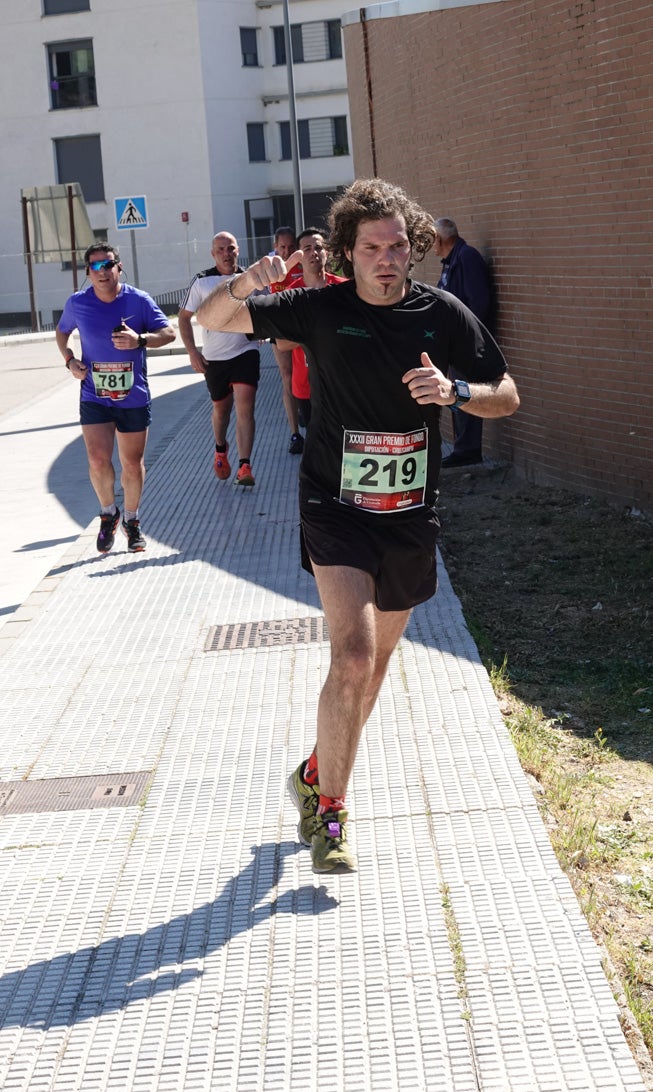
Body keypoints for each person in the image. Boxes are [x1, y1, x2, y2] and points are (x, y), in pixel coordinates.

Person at [197, 178, 519, 875]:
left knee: (368, 675)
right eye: (371, 247)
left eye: (398, 245)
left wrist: (457, 392)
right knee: (350, 656)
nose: (386, 257)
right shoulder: (318, 308)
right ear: (347, 252)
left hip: (407, 514)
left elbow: (507, 394)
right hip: (333, 506)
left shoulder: (442, 314)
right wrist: (245, 282)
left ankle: (316, 773)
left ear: (415, 247)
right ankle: (332, 815)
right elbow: (216, 320)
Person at [56, 242, 175, 553]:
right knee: (97, 459)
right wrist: (70, 360)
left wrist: (141, 340)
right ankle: (108, 513)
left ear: (119, 267)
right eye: (95, 267)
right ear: (87, 272)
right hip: (94, 394)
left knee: (132, 465)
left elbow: (169, 333)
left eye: (108, 265)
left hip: (132, 396)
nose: (102, 271)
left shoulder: (139, 300)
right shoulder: (77, 303)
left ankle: (132, 521)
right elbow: (62, 332)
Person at [178, 232, 260, 487]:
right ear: (213, 254)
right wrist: (193, 351)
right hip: (215, 358)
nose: (227, 253)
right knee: (221, 409)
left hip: (246, 351)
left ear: (238, 250)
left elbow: (265, 311)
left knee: (245, 408)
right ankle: (220, 449)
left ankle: (245, 466)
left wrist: (265, 333)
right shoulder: (202, 281)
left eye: (231, 248)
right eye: (221, 249)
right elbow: (183, 317)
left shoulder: (250, 279)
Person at [432, 217, 498, 467]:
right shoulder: (451, 261)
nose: (431, 246)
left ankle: (468, 450)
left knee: (465, 393)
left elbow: (479, 303)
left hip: (468, 344)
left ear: (441, 238)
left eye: (432, 239)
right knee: (457, 395)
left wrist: (464, 336)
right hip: (454, 343)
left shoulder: (466, 258)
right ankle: (462, 447)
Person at [275, 227, 347, 429]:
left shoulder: (345, 289)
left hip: (340, 384)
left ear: (327, 252)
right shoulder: (290, 294)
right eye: (307, 249)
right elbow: (281, 343)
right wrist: (320, 331)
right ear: (299, 256)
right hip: (306, 386)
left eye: (318, 247)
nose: (314, 252)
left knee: (341, 446)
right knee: (315, 447)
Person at [268, 226, 305, 454]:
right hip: (280, 329)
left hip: (304, 328)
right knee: (287, 376)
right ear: (275, 247)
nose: (287, 251)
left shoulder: (304, 264)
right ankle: (295, 433)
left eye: (291, 246)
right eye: (282, 247)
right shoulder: (271, 268)